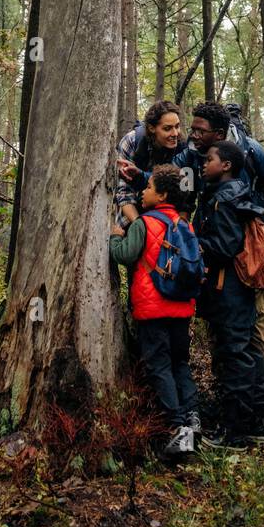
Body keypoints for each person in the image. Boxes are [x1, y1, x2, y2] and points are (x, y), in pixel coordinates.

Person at [119, 100, 264, 367]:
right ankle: (228, 395)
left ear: (219, 135)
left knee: (256, 328)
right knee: (220, 327)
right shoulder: (193, 155)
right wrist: (140, 175)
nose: (191, 135)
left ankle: (260, 396)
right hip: (218, 256)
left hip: (252, 255)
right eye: (192, 129)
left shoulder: (250, 151)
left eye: (200, 130)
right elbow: (171, 176)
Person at [109, 163, 201, 457]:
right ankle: (192, 417)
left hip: (153, 310)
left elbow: (124, 255)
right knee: (179, 364)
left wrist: (114, 236)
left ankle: (176, 429)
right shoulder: (184, 224)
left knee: (159, 366)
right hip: (181, 308)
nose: (143, 192)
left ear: (161, 195)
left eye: (148, 188)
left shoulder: (144, 224)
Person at [194, 140, 264, 445]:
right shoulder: (234, 193)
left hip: (229, 288)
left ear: (226, 165)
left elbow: (226, 246)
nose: (204, 162)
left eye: (210, 159)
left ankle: (236, 431)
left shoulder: (224, 198)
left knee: (234, 354)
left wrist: (196, 244)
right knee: (248, 352)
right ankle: (258, 423)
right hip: (236, 288)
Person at [114, 100, 182, 228]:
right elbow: (124, 193)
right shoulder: (132, 141)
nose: (175, 134)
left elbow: (184, 190)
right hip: (131, 215)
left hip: (167, 218)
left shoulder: (182, 147)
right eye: (167, 128)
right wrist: (141, 228)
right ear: (151, 128)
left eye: (177, 126)